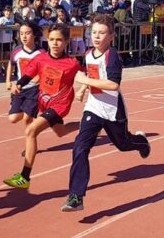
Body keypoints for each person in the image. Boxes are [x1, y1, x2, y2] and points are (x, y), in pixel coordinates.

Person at [63, 15, 151, 212]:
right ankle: (76, 196)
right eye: (93, 32)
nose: (96, 36)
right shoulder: (88, 54)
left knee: (123, 144)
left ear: (111, 36)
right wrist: (83, 90)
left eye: (101, 33)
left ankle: (141, 142)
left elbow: (113, 84)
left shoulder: (112, 55)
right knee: (80, 147)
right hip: (93, 107)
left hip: (113, 109)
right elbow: (93, 75)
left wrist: (85, 82)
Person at [4, 23, 82, 190]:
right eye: (52, 39)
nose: (55, 43)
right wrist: (18, 84)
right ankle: (88, 125)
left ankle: (24, 177)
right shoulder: (41, 58)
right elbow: (28, 74)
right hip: (44, 102)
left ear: (66, 41)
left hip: (60, 104)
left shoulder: (72, 63)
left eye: (59, 40)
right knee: (60, 132)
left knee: (31, 130)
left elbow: (86, 75)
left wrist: (83, 89)